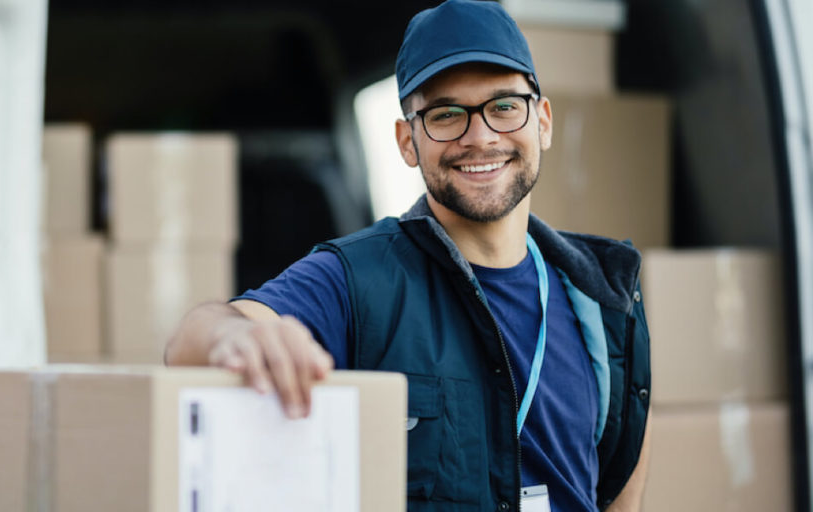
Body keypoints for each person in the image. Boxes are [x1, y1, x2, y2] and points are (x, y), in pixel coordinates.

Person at [165, 0, 651, 510]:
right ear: (407, 141)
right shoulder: (357, 279)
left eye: (505, 106)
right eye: (446, 115)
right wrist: (236, 335)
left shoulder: (605, 298)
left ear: (543, 121)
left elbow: (619, 495)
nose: (480, 136)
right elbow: (190, 341)